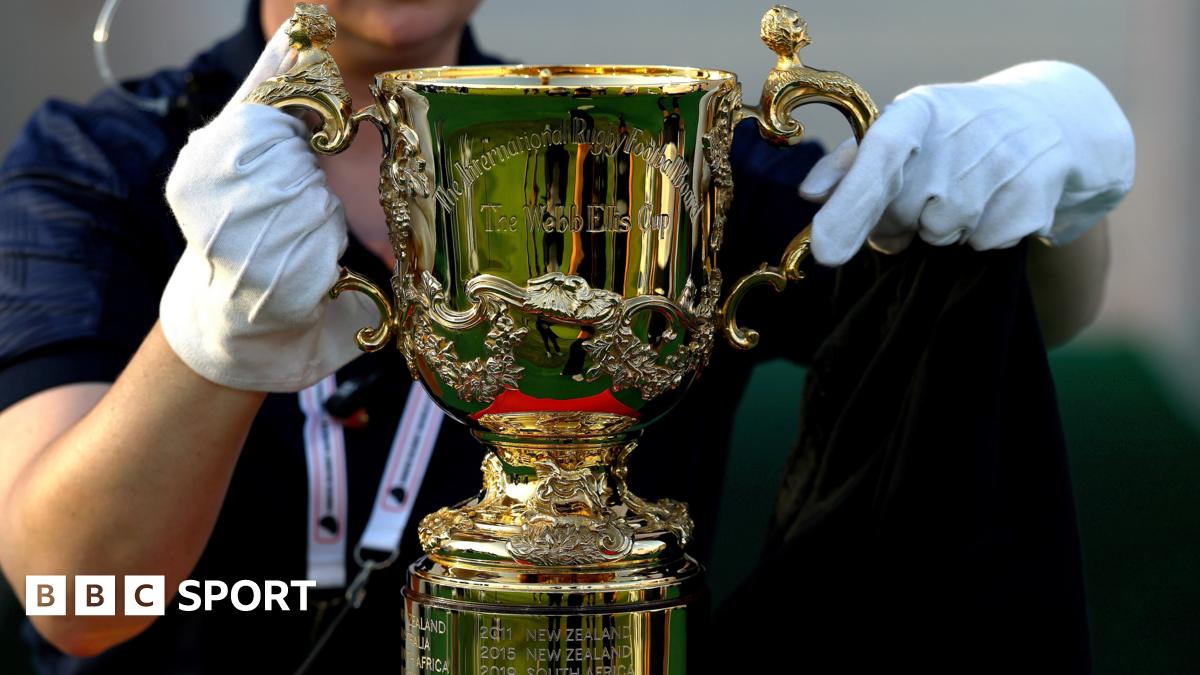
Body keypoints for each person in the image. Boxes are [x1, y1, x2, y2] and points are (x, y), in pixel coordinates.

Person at [0, 0, 1133, 672]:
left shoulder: (638, 140)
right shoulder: (100, 165)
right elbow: (71, 596)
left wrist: (1052, 178)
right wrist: (204, 347)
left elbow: (978, 329)